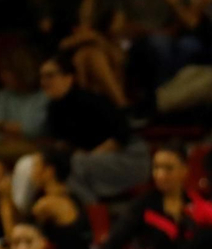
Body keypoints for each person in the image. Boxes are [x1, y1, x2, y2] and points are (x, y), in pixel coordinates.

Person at [37, 52, 152, 204]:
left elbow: (121, 135)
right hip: (92, 161)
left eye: (50, 76)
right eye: (42, 77)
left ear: (68, 77)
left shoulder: (91, 101)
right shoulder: (53, 110)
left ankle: (91, 211)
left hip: (129, 157)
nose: (44, 82)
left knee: (74, 165)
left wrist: (90, 157)